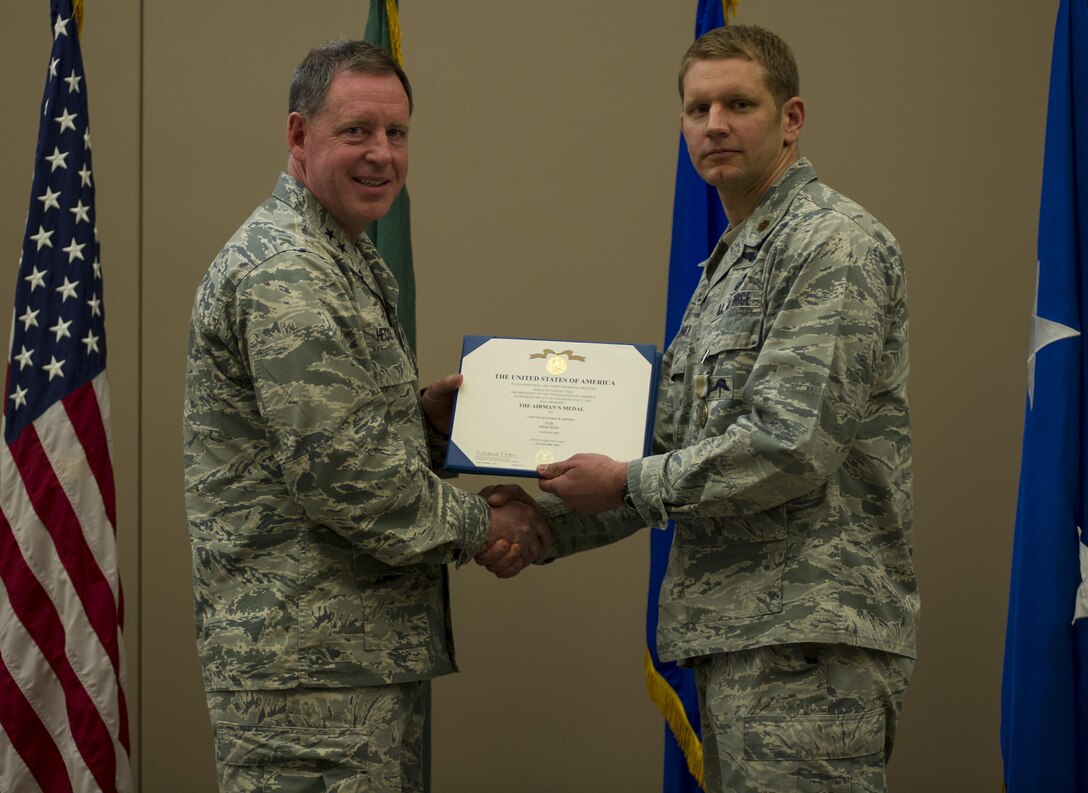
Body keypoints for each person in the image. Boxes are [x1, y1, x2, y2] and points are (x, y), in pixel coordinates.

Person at [483, 24, 918, 792]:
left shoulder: (832, 244)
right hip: (744, 645)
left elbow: (788, 444)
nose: (713, 124)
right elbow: (670, 446)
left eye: (738, 103)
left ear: (792, 119)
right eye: (697, 108)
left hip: (808, 654)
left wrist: (624, 482)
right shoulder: (732, 260)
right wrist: (545, 521)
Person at [183, 39, 546, 792]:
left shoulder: (337, 255)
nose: (381, 154)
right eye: (356, 131)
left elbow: (331, 436)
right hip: (307, 681)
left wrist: (428, 422)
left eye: (397, 133)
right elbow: (345, 476)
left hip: (346, 662)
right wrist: (488, 526)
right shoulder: (287, 270)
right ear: (297, 135)